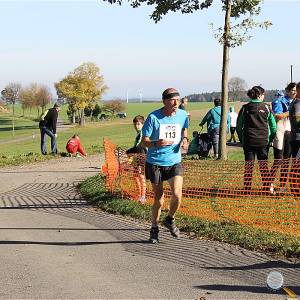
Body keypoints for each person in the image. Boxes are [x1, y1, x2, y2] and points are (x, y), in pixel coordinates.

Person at [141, 88, 189, 243]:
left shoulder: (182, 114)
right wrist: (156, 143)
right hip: (155, 162)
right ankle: (154, 227)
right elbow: (143, 141)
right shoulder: (154, 117)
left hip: (174, 161)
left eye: (178, 100)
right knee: (159, 199)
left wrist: (185, 139)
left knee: (177, 194)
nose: (176, 103)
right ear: (164, 101)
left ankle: (169, 219)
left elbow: (184, 128)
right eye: (172, 100)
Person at [237, 86, 277, 191]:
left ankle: (247, 189)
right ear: (259, 95)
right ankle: (267, 188)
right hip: (263, 141)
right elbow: (273, 127)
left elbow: (238, 126)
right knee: (263, 166)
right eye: (263, 94)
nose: (264, 96)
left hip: (248, 141)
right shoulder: (267, 107)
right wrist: (270, 139)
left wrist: (242, 139)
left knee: (249, 166)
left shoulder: (245, 108)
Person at [269, 84, 297, 191]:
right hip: (280, 132)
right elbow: (278, 116)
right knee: (278, 160)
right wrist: (293, 112)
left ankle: (282, 186)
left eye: (295, 90)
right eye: (292, 90)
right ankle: (269, 184)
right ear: (287, 90)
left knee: (287, 161)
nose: (294, 92)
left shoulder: (296, 102)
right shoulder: (279, 101)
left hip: (290, 132)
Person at [126, 115, 147, 204]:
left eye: (138, 124)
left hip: (142, 156)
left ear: (143, 124)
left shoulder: (143, 133)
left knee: (141, 176)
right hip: (136, 156)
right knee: (135, 176)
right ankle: (139, 194)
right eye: (135, 124)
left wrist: (129, 151)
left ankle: (143, 196)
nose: (136, 126)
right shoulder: (138, 134)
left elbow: (138, 146)